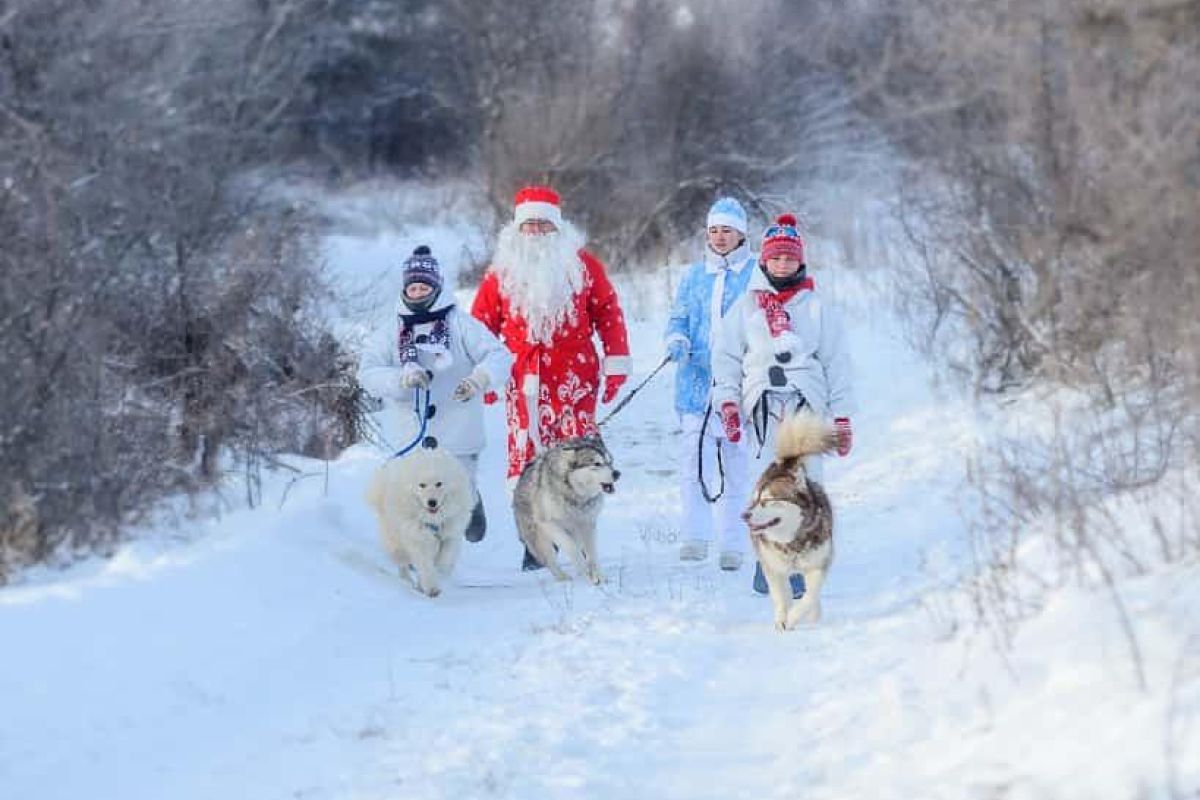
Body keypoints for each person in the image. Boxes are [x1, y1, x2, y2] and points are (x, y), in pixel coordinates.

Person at [470, 185, 631, 569]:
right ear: (517, 229)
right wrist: (485, 376)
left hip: (574, 379)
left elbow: (608, 312)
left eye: (544, 224)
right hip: (522, 381)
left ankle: (577, 527)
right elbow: (478, 327)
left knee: (576, 456)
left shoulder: (583, 266)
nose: (537, 232)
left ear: (557, 228)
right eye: (530, 225)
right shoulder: (501, 274)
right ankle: (536, 541)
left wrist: (616, 361)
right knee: (527, 461)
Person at [711, 213, 855, 595]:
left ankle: (800, 563)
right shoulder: (746, 307)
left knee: (805, 485)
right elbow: (725, 359)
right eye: (775, 258)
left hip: (805, 405)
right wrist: (727, 402)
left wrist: (841, 418)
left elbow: (837, 363)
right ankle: (768, 563)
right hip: (763, 407)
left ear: (800, 261)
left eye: (789, 258)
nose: (782, 264)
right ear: (764, 261)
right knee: (767, 487)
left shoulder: (817, 307)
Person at [359, 245, 512, 542]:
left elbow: (499, 355)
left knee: (457, 493)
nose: (417, 292)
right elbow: (367, 371)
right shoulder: (392, 330)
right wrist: (401, 380)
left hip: (459, 429)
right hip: (412, 432)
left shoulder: (460, 324)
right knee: (418, 502)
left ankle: (471, 500)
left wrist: (479, 379)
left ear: (436, 287)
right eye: (412, 287)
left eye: (423, 286)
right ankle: (424, 555)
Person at [663, 197, 757, 571]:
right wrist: (677, 340)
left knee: (737, 466)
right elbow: (678, 318)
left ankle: (734, 542)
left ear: (741, 234)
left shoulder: (755, 274)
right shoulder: (693, 276)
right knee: (694, 465)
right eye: (714, 230)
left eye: (727, 231)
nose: (719, 237)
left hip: (738, 388)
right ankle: (695, 536)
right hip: (695, 388)